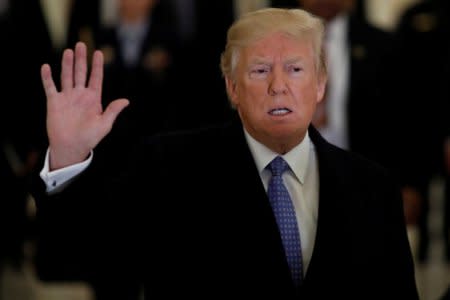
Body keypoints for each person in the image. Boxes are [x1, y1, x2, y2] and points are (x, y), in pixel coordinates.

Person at [31, 7, 419, 299]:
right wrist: (67, 159)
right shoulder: (170, 166)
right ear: (232, 88)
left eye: (296, 69)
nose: (279, 86)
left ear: (320, 85)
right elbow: (84, 252)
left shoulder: (373, 186)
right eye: (260, 70)